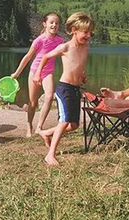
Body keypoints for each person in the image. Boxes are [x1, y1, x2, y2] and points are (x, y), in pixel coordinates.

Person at [34, 12, 94, 166]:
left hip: (75, 88)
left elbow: (80, 64)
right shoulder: (65, 47)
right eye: (85, 32)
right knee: (64, 121)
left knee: (74, 125)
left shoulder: (86, 47)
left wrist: (83, 75)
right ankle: (50, 155)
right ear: (74, 30)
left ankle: (47, 133)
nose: (88, 36)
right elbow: (46, 56)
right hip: (64, 89)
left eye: (90, 32)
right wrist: (38, 74)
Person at [11, 13, 65, 137]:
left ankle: (39, 127)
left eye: (57, 23)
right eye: (51, 22)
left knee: (49, 96)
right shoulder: (39, 40)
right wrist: (17, 73)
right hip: (35, 71)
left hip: (48, 73)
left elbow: (66, 57)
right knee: (33, 102)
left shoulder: (60, 41)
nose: (54, 25)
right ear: (45, 24)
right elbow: (28, 57)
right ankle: (29, 126)